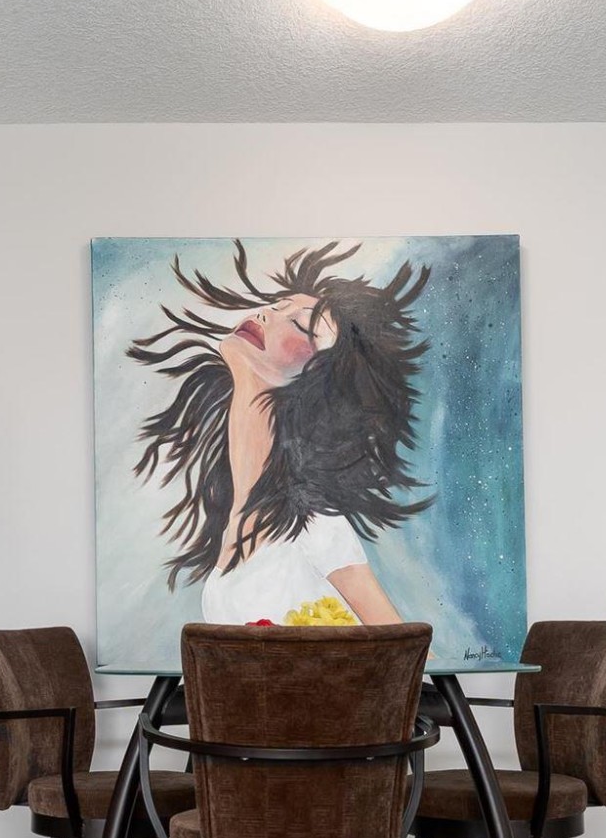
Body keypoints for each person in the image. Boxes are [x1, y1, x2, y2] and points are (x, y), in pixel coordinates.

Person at [129, 240, 431, 626]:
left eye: (301, 325)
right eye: (277, 305)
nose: (268, 314)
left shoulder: (319, 527)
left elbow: (407, 649)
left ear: (319, 379)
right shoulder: (230, 525)